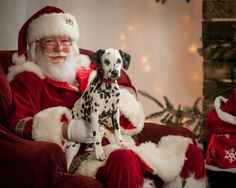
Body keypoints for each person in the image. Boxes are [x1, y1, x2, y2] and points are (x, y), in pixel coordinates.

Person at [6, 6, 207, 188]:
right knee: (122, 159)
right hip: (83, 155)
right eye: (50, 42)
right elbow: (19, 123)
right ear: (35, 47)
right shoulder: (28, 80)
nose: (59, 48)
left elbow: (124, 114)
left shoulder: (89, 73)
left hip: (118, 142)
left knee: (187, 150)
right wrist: (67, 129)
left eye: (65, 41)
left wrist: (125, 104)